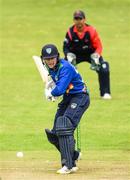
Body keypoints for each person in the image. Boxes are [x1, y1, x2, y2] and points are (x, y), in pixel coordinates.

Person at [41, 44, 90, 174]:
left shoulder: (65, 67)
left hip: (80, 97)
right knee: (55, 133)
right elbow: (61, 84)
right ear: (43, 60)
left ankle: (68, 165)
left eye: (52, 58)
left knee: (64, 125)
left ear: (57, 57)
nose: (50, 61)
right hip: (69, 97)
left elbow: (61, 89)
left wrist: (51, 93)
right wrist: (52, 85)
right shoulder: (52, 68)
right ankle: (73, 156)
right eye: (47, 59)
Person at [63, 10, 111, 99]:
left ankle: (105, 93)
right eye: (76, 19)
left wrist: (97, 54)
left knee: (104, 67)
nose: (78, 21)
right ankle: (66, 91)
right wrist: (68, 55)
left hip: (91, 54)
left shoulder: (91, 30)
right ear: (74, 20)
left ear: (84, 20)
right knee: (63, 68)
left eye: (80, 19)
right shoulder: (70, 32)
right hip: (75, 55)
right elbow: (65, 47)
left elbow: (99, 46)